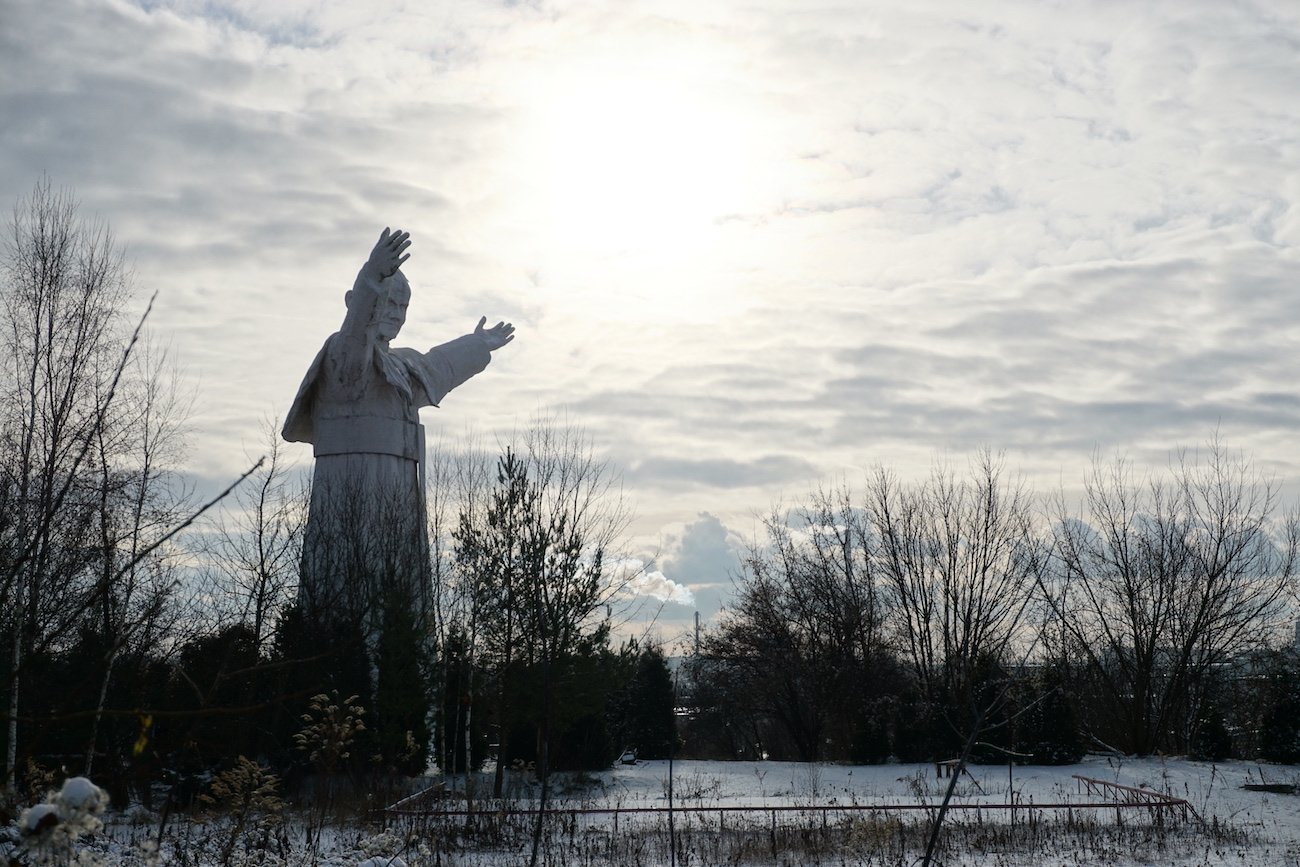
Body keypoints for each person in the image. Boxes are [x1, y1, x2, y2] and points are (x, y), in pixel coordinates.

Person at [283, 228, 514, 622]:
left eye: (401, 307)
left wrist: (478, 345)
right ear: (354, 302)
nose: (394, 313)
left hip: (398, 486)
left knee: (400, 590)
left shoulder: (403, 363)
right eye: (388, 302)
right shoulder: (344, 356)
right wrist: (372, 279)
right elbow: (357, 333)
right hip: (354, 479)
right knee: (348, 579)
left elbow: (439, 365)